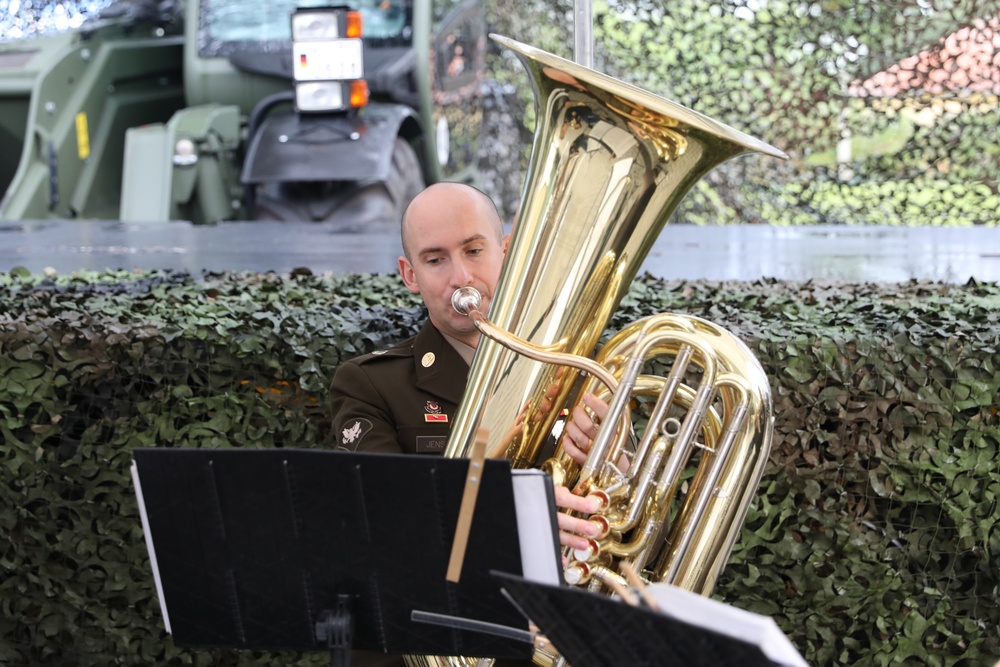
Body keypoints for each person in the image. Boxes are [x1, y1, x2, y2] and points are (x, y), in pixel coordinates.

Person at [329, 182, 610, 667]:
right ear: (409, 275)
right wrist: (516, 518)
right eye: (435, 260)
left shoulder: (572, 374)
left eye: (474, 250)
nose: (462, 277)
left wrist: (613, 464)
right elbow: (383, 516)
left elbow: (623, 540)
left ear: (507, 252)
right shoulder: (369, 385)